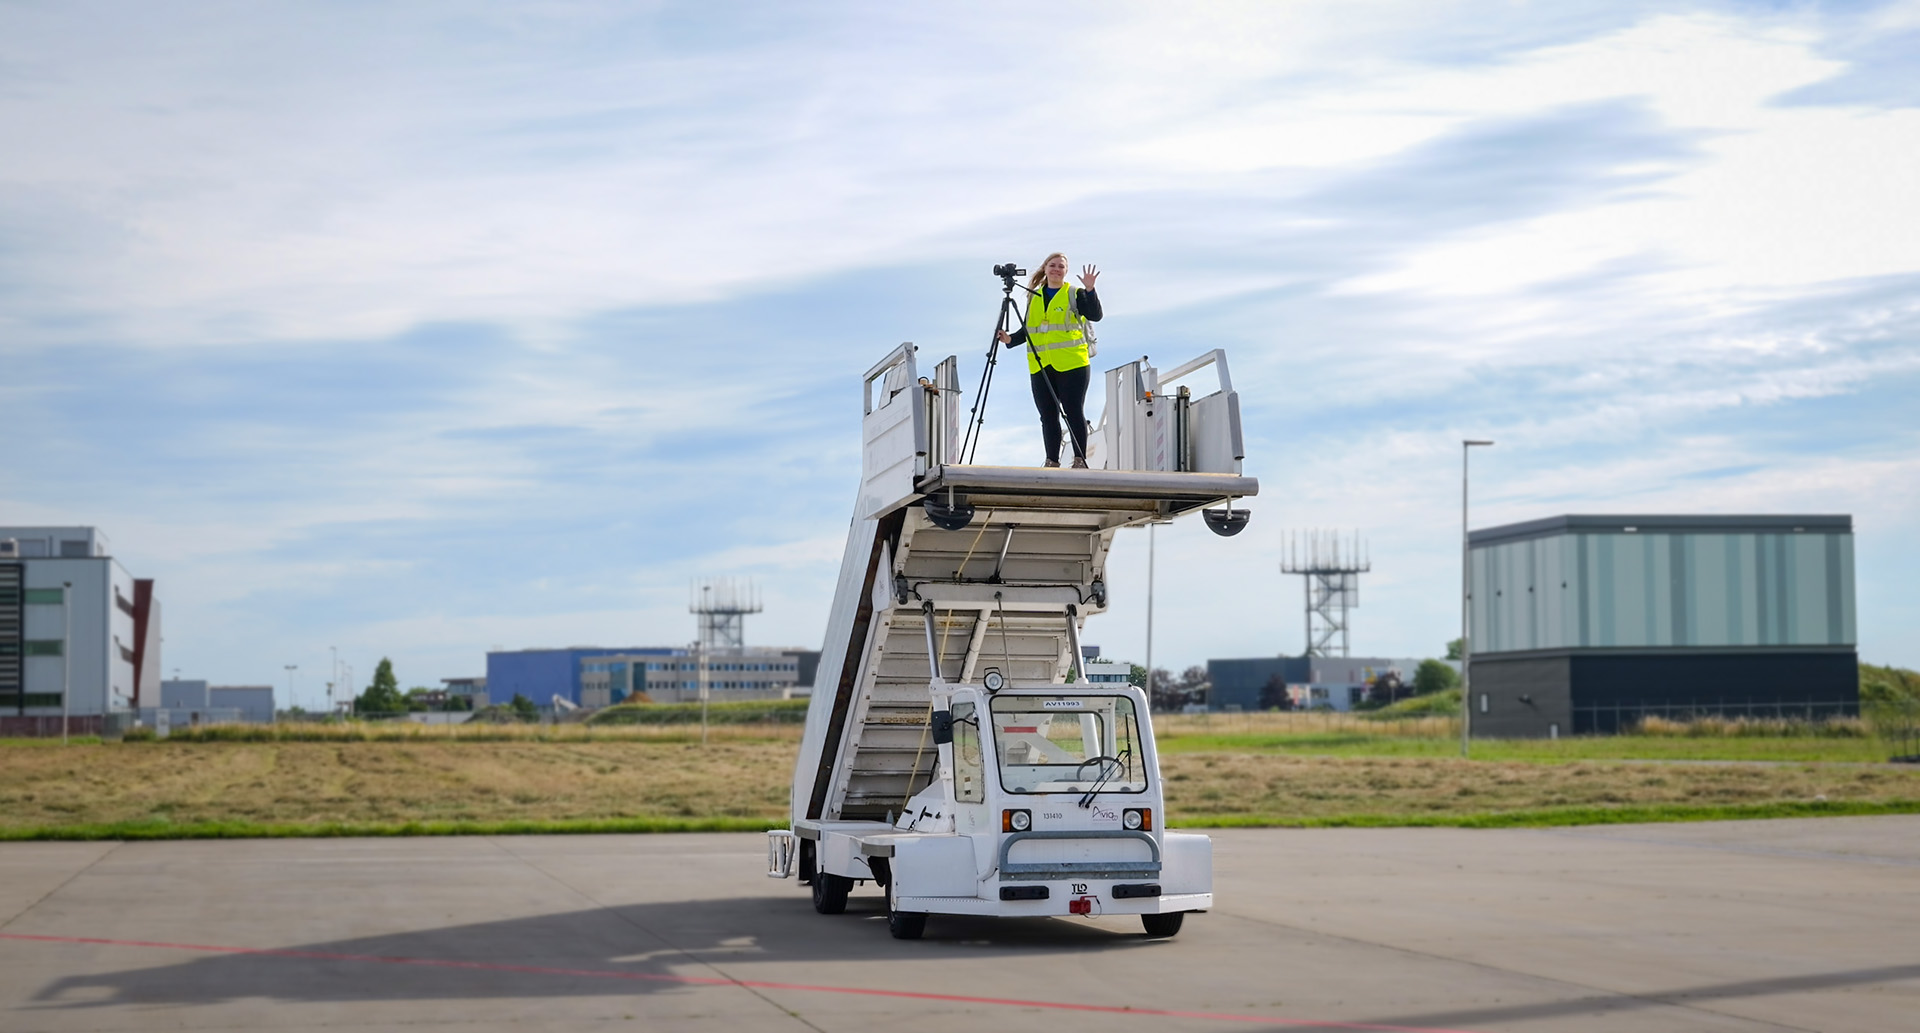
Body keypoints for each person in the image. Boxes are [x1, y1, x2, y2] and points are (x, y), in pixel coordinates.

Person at [995, 252, 1102, 468]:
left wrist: (1090, 290)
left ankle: (1080, 459)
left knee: (1073, 412)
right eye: (1052, 265)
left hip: (1072, 363)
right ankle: (1052, 460)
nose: (1056, 269)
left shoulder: (1074, 293)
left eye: (1061, 266)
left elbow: (1095, 315)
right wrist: (1010, 339)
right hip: (1041, 364)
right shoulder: (1034, 297)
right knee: (1047, 416)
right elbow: (1029, 330)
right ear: (1044, 269)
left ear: (1066, 271)